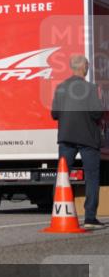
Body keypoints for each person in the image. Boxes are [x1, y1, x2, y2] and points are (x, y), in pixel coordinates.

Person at [51, 54, 105, 229]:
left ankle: (58, 212)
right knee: (91, 177)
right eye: (87, 65)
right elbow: (97, 113)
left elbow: (54, 114)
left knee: (62, 176)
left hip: (66, 137)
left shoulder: (60, 88)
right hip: (88, 138)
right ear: (84, 67)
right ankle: (90, 218)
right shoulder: (90, 88)